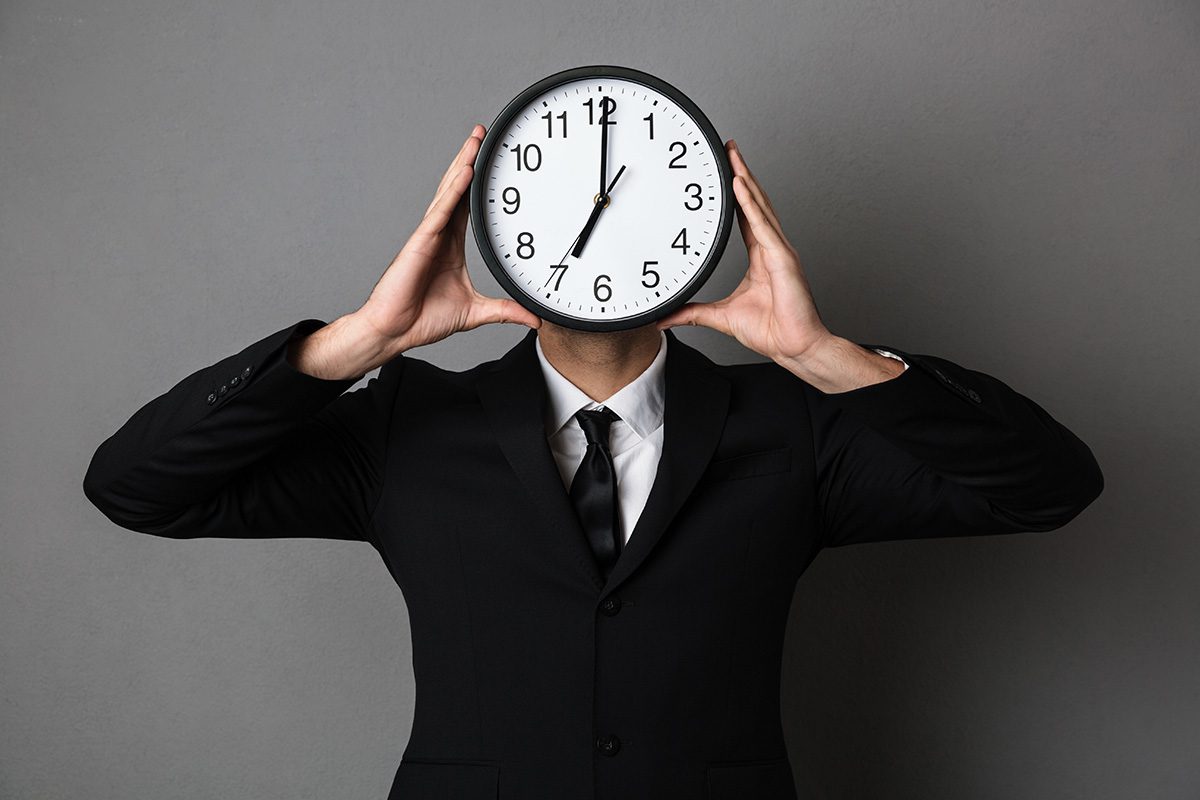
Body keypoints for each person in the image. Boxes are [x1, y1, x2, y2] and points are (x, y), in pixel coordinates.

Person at [82, 124, 1104, 800]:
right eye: (565, 206)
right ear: (503, 237)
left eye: (642, 209)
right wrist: (357, 340)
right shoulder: (407, 426)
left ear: (701, 235)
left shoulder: (791, 427)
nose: (604, 237)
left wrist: (822, 355)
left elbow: (1049, 484)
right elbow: (137, 484)